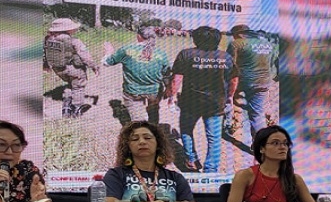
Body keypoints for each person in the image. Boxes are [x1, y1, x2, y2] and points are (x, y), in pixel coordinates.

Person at [168, 25, 239, 173]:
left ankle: (191, 160)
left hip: (190, 102)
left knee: (186, 130)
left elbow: (176, 79)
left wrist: (172, 96)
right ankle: (211, 170)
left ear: (196, 39)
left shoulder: (186, 54)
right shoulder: (225, 57)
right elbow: (234, 80)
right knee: (214, 138)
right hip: (215, 103)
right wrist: (230, 97)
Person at [104, 121, 199, 202]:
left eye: (147, 138)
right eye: (135, 139)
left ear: (158, 144)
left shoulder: (175, 177)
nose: (142, 142)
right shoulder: (116, 175)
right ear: (128, 147)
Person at [226, 125, 320, 202]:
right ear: (262, 149)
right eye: (275, 143)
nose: (282, 147)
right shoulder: (245, 176)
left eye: (285, 143)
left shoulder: (294, 179)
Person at [102, 26, 170, 124]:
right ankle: (153, 128)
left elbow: (106, 63)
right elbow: (166, 74)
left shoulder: (126, 49)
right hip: (154, 92)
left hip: (133, 92)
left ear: (138, 36)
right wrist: (169, 89)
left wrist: (108, 52)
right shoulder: (162, 53)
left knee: (137, 120)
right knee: (154, 113)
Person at [227, 24, 278, 137]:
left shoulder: (237, 44)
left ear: (239, 34)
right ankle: (268, 120)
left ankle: (237, 124)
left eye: (234, 35)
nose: (233, 37)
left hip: (244, 81)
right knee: (259, 110)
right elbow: (272, 63)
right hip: (264, 81)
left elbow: (230, 66)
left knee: (236, 101)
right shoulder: (268, 44)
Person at [43, 17, 100, 117]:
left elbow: (45, 54)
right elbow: (85, 56)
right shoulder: (74, 41)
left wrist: (46, 65)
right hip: (74, 69)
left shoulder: (49, 40)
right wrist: (94, 67)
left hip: (58, 69)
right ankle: (77, 109)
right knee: (78, 87)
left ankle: (66, 108)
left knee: (70, 85)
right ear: (67, 29)